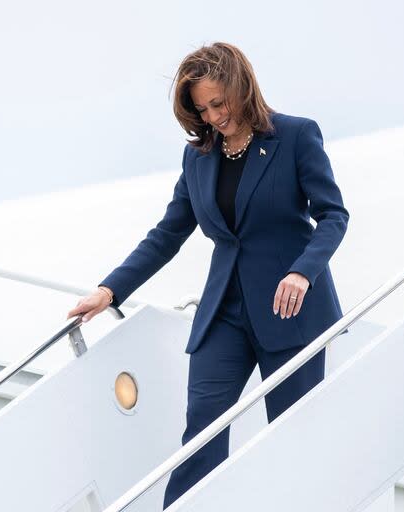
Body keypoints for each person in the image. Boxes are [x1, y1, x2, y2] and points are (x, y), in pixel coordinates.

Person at [67, 42, 348, 509]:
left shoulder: (296, 136)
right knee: (202, 428)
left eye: (220, 103)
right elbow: (168, 233)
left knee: (292, 437)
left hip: (291, 310)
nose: (215, 116)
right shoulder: (198, 157)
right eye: (203, 109)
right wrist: (109, 289)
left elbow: (334, 215)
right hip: (225, 314)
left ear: (243, 88)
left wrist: (303, 272)